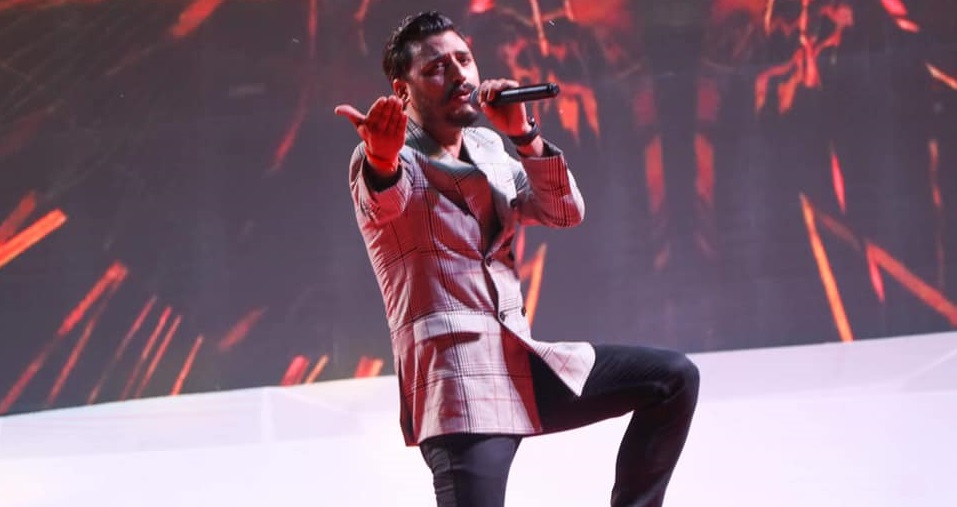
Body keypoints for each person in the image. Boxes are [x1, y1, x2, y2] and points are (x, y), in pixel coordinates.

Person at [334, 11, 700, 507]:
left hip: (518, 361)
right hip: (459, 383)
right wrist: (380, 158)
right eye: (437, 67)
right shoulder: (388, 157)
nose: (459, 74)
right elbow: (383, 202)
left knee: (673, 379)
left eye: (464, 60)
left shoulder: (488, 146)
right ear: (402, 90)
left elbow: (565, 212)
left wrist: (525, 137)